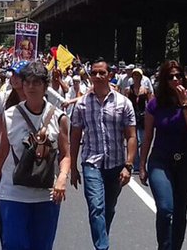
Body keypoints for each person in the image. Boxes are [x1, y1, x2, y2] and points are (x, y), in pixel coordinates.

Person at [0, 61, 70, 250]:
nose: (31, 87)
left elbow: (66, 155)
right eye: (28, 83)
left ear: (45, 86)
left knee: (41, 246)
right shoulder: (9, 115)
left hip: (46, 195)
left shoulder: (59, 118)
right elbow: (2, 155)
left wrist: (62, 178)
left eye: (37, 83)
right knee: (14, 244)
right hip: (13, 193)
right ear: (22, 85)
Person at [70, 57, 137, 250]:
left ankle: (102, 239)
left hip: (116, 164)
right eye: (94, 73)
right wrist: (73, 167)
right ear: (90, 76)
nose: (98, 76)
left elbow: (131, 136)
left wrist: (128, 165)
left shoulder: (123, 103)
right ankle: (102, 247)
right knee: (96, 207)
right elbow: (75, 137)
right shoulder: (82, 104)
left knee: (108, 208)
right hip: (91, 163)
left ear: (110, 75)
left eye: (102, 73)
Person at [139, 60, 187, 250]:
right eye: (170, 76)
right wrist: (142, 165)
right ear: (164, 80)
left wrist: (185, 106)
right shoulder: (154, 104)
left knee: (179, 212)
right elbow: (148, 135)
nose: (175, 79)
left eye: (178, 75)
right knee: (166, 209)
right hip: (161, 161)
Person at [0, 61, 28, 246]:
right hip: (5, 160)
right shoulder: (3, 97)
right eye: (12, 75)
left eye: (18, 75)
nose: (13, 78)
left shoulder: (38, 98)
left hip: (30, 161)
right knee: (6, 211)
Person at [125, 68, 153, 174]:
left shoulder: (146, 90)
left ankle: (142, 161)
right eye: (134, 76)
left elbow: (150, 104)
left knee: (142, 140)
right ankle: (135, 163)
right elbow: (126, 103)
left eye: (138, 76)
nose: (136, 78)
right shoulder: (128, 90)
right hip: (132, 117)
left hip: (142, 117)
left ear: (141, 77)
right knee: (133, 140)